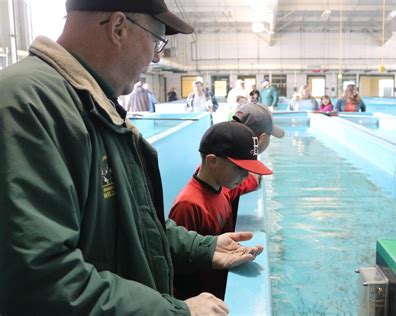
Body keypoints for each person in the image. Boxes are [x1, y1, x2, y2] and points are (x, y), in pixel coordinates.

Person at [0, 0, 263, 315]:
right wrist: (174, 312)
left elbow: (135, 223)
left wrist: (204, 248)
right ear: (119, 27)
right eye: (156, 41)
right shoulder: (26, 107)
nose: (156, 57)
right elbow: (40, 278)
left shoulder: (94, 106)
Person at [169, 122, 272, 300]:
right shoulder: (188, 205)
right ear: (212, 161)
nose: (246, 176)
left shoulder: (222, 188)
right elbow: (177, 264)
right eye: (240, 168)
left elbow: (248, 181)